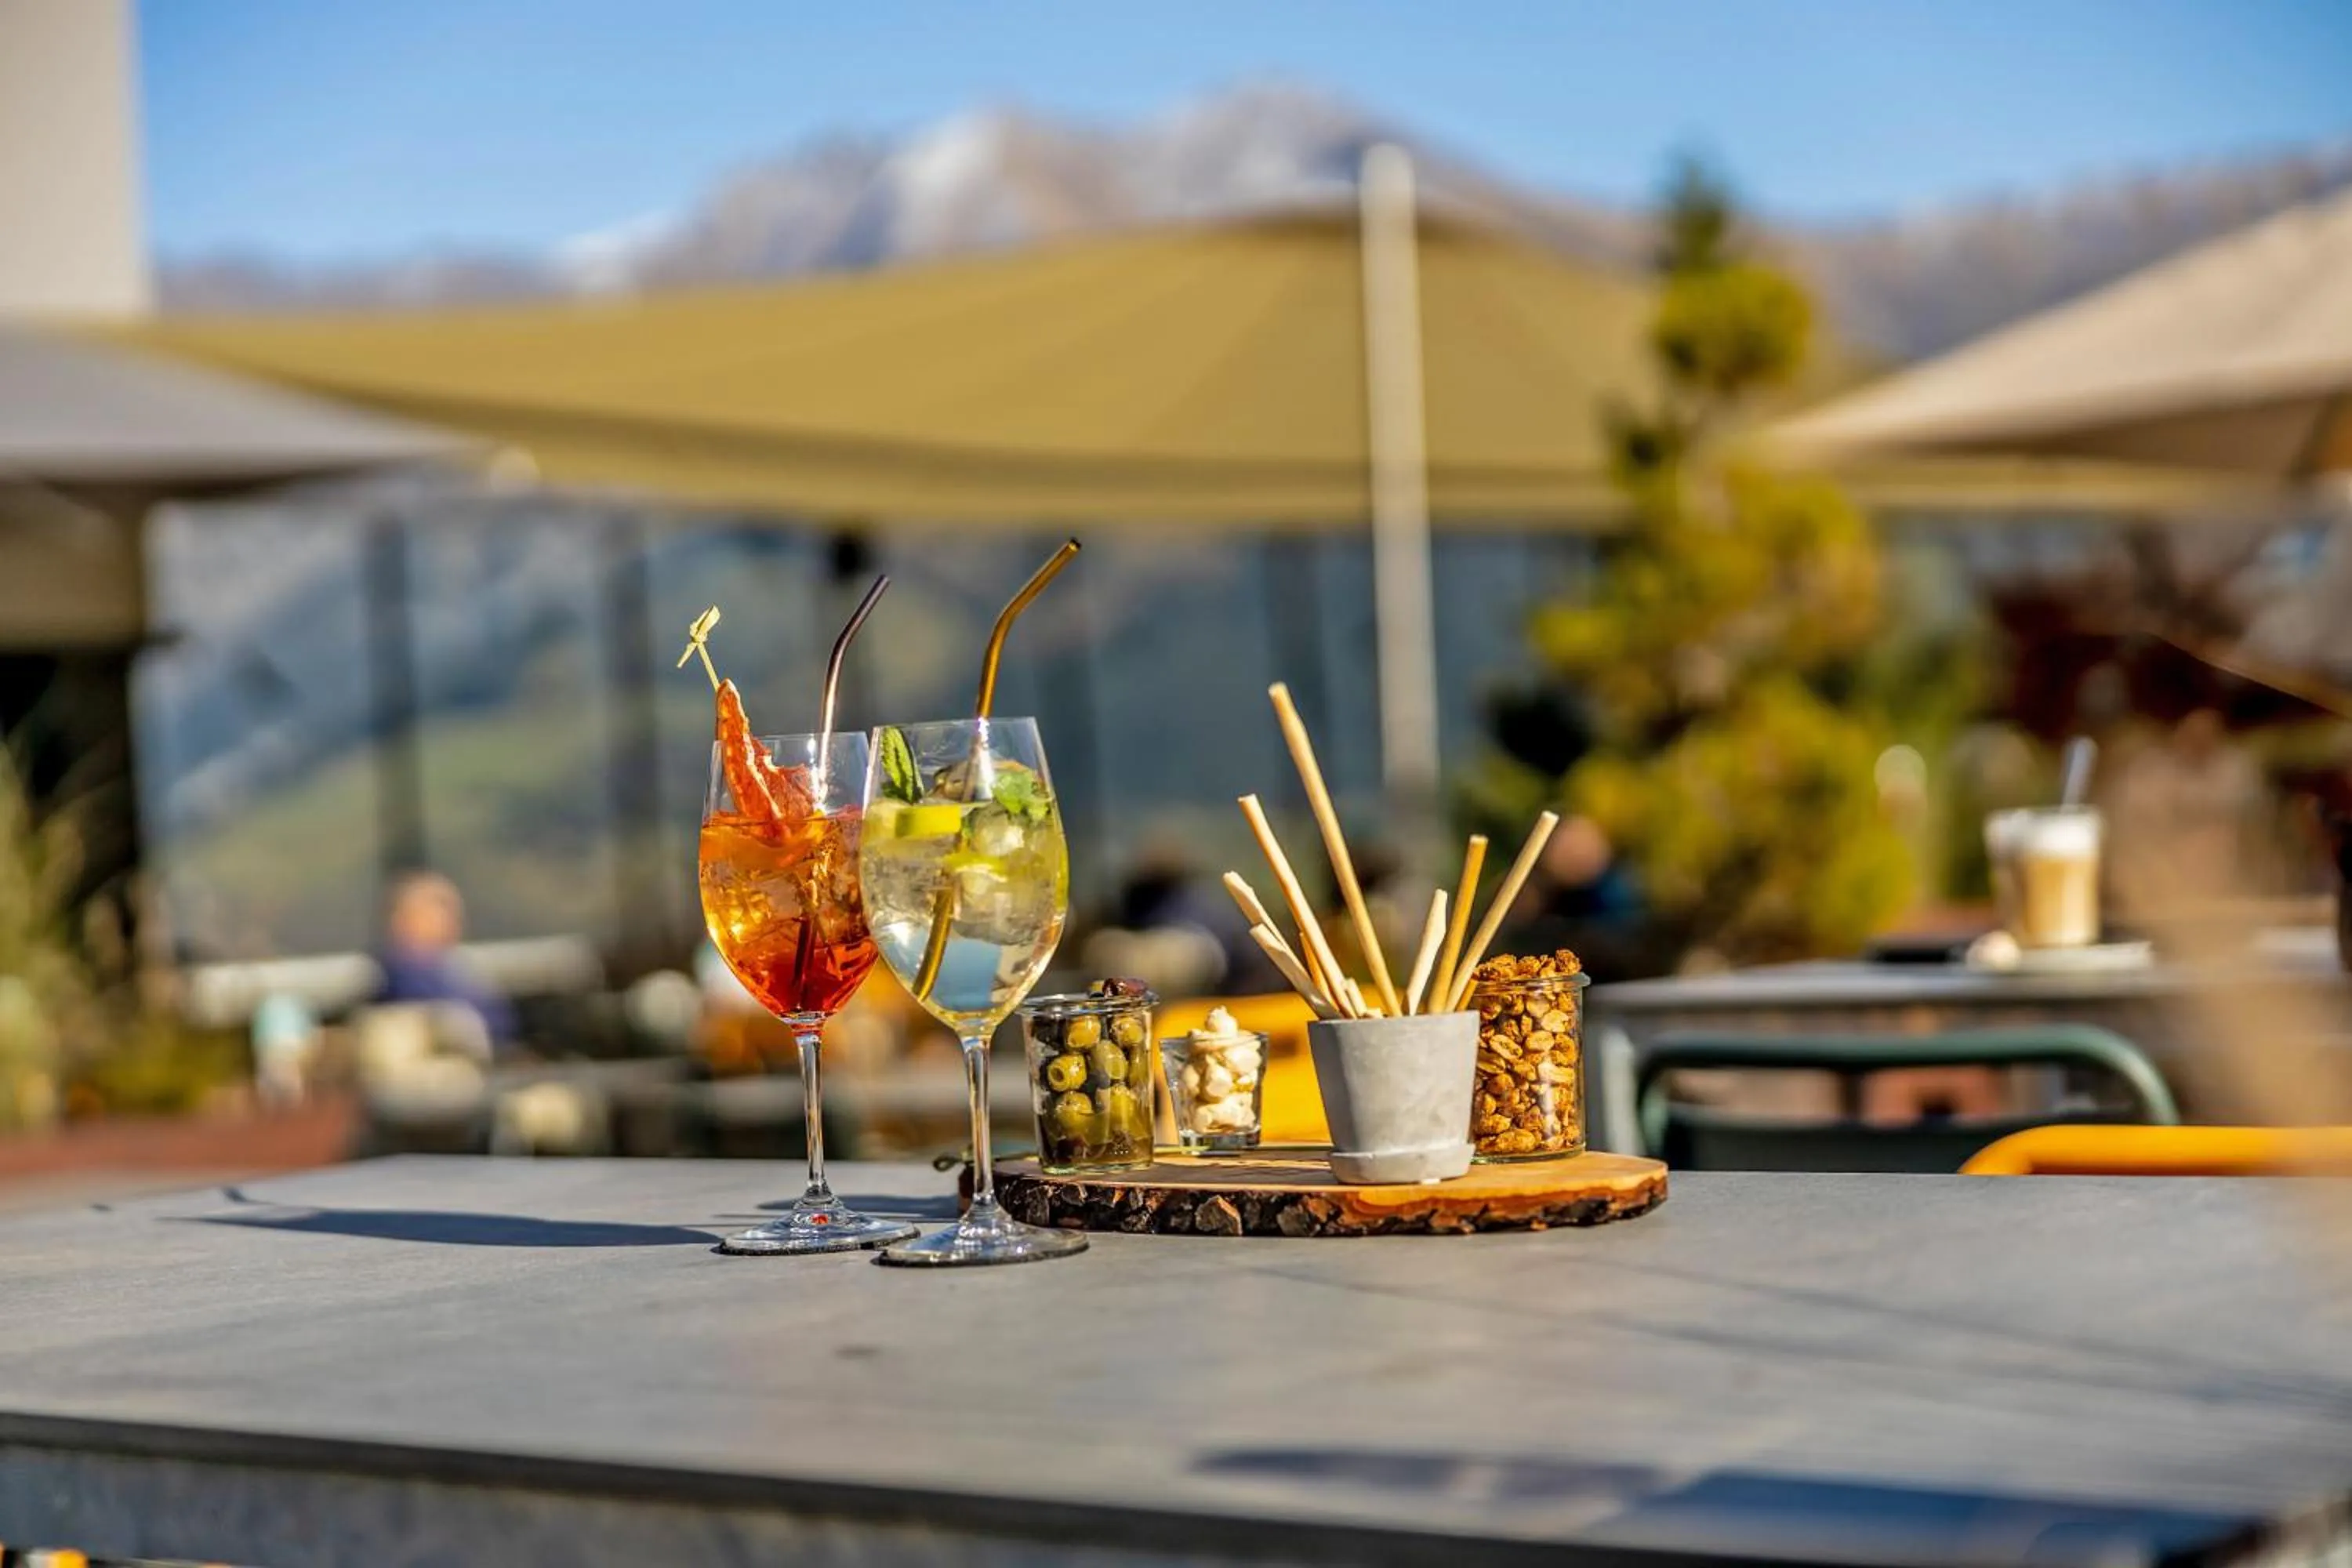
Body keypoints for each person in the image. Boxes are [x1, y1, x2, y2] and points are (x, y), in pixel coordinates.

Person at [372, 870, 516, 1048]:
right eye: (441, 907)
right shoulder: (399, 977)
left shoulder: (455, 969)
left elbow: (500, 1023)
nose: (453, 920)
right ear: (403, 918)